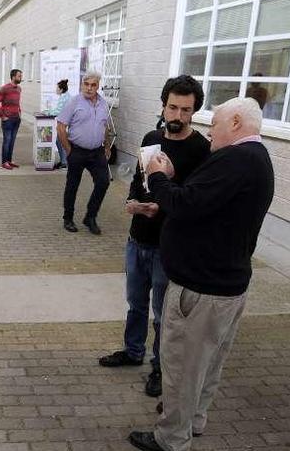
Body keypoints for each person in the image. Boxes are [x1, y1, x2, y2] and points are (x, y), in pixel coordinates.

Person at [128, 97, 275, 451]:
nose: (210, 132)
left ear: (237, 122)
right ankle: (193, 421)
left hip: (201, 289)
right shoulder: (255, 158)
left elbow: (183, 205)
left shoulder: (236, 159)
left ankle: (171, 438)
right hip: (225, 285)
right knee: (207, 365)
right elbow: (203, 200)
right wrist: (174, 183)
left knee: (181, 369)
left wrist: (159, 177)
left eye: (217, 123)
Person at [98, 76, 210, 401]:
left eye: (185, 110)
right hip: (138, 239)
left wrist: (167, 201)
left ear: (194, 112)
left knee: (164, 314)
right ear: (163, 106)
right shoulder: (151, 138)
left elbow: (195, 201)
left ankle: (160, 367)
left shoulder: (201, 150)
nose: (177, 115)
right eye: (172, 107)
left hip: (170, 248)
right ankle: (132, 351)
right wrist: (132, 204)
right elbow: (138, 180)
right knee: (135, 304)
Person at [57, 71, 112, 234]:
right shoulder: (74, 102)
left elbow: (105, 126)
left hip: (97, 152)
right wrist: (68, 150)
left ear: (98, 86)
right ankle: (68, 218)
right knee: (72, 185)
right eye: (86, 84)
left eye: (93, 85)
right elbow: (60, 126)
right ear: (82, 85)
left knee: (104, 182)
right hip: (77, 150)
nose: (89, 88)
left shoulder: (103, 104)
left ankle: (90, 217)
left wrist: (107, 146)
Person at [0, 69, 23, 170]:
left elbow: (17, 102)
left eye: (21, 76)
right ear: (13, 76)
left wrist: (19, 112)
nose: (21, 78)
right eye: (19, 76)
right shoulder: (4, 88)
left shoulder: (19, 89)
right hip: (7, 120)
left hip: (16, 119)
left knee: (12, 141)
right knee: (7, 140)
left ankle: (9, 161)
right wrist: (2, 116)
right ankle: (4, 162)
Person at [49, 79, 71, 169]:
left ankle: (64, 162)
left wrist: (47, 112)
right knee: (60, 141)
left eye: (57, 88)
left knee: (61, 141)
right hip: (65, 122)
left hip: (65, 123)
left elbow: (58, 111)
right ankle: (63, 161)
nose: (56, 90)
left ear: (61, 89)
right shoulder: (66, 96)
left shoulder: (64, 97)